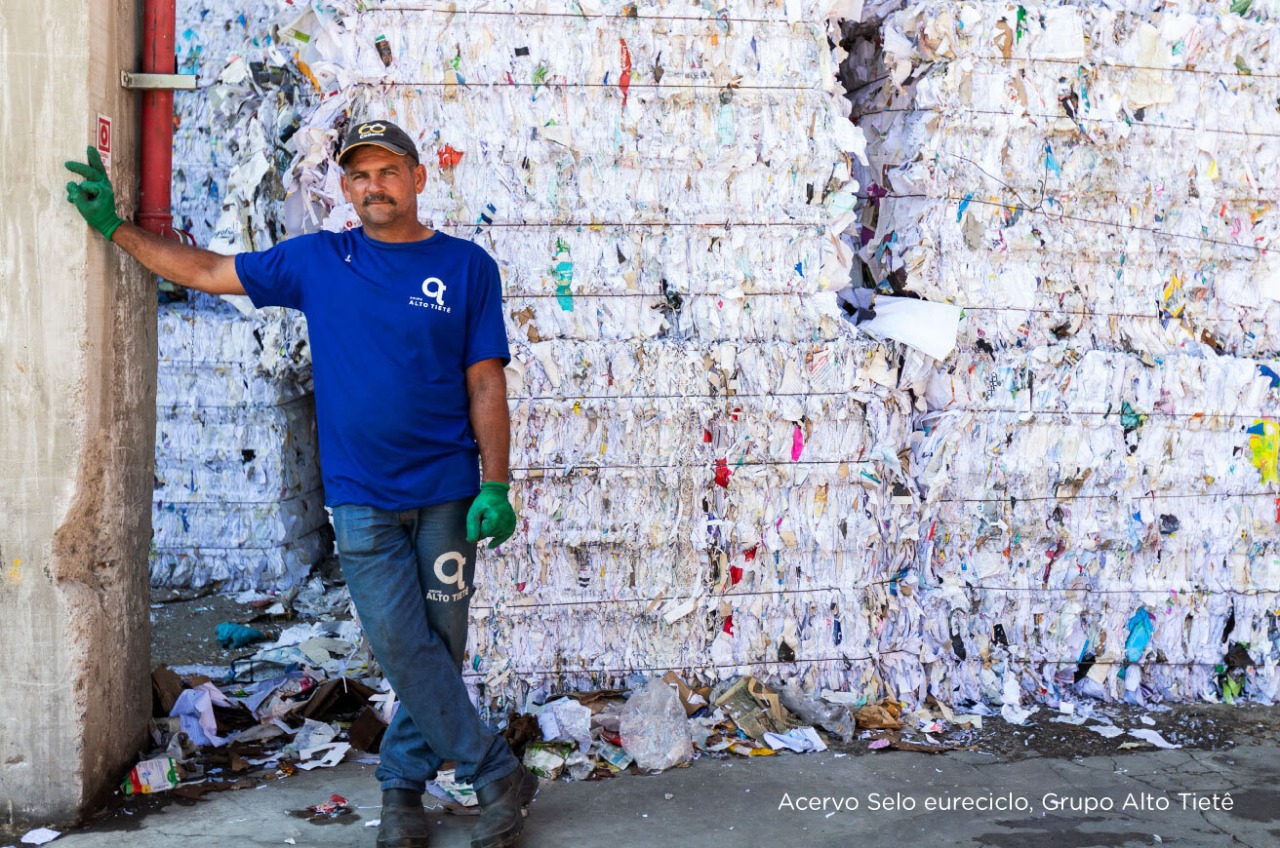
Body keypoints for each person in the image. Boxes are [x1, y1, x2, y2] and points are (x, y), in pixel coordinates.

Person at [65, 120, 538, 848]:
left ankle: (404, 789)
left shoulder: (467, 267)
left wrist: (497, 486)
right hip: (360, 500)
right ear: (345, 189)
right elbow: (207, 271)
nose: (374, 186)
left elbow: (485, 383)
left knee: (436, 651)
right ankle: (497, 771)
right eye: (359, 175)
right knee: (403, 649)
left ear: (417, 179)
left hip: (448, 495)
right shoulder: (320, 260)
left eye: (388, 171)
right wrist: (116, 229)